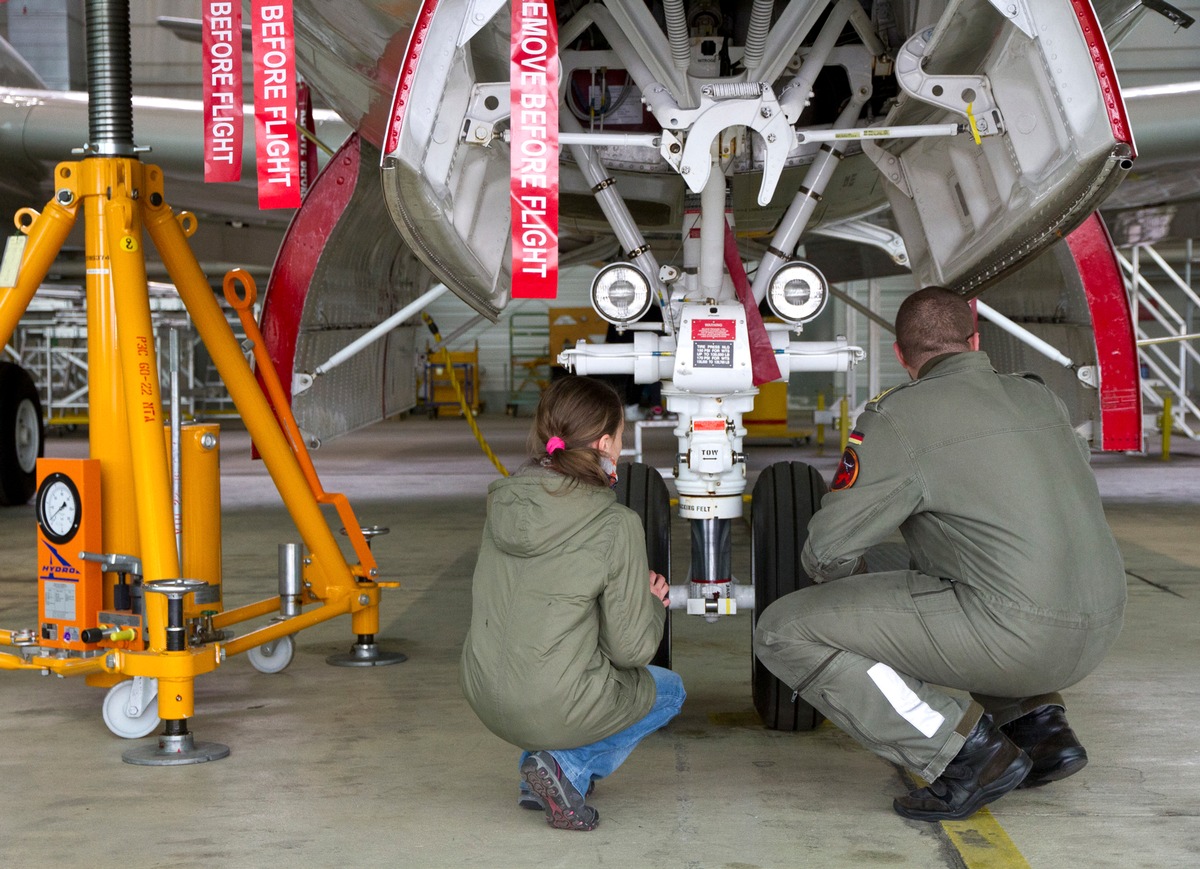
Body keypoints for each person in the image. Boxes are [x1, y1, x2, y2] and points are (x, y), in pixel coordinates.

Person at [753, 286, 1126, 822]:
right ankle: (1040, 731)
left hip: (1019, 638)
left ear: (901, 355)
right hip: (1098, 629)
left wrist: (844, 582)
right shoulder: (1039, 396)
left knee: (784, 629)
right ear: (974, 341)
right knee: (967, 569)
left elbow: (827, 551)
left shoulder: (901, 416)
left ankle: (962, 754)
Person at [460, 375, 684, 831]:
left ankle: (536, 776)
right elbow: (631, 651)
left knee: (555, 661)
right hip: (550, 702)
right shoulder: (614, 523)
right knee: (667, 690)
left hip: (483, 692)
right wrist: (651, 601)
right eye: (620, 440)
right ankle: (566, 767)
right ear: (604, 443)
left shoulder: (503, 504)